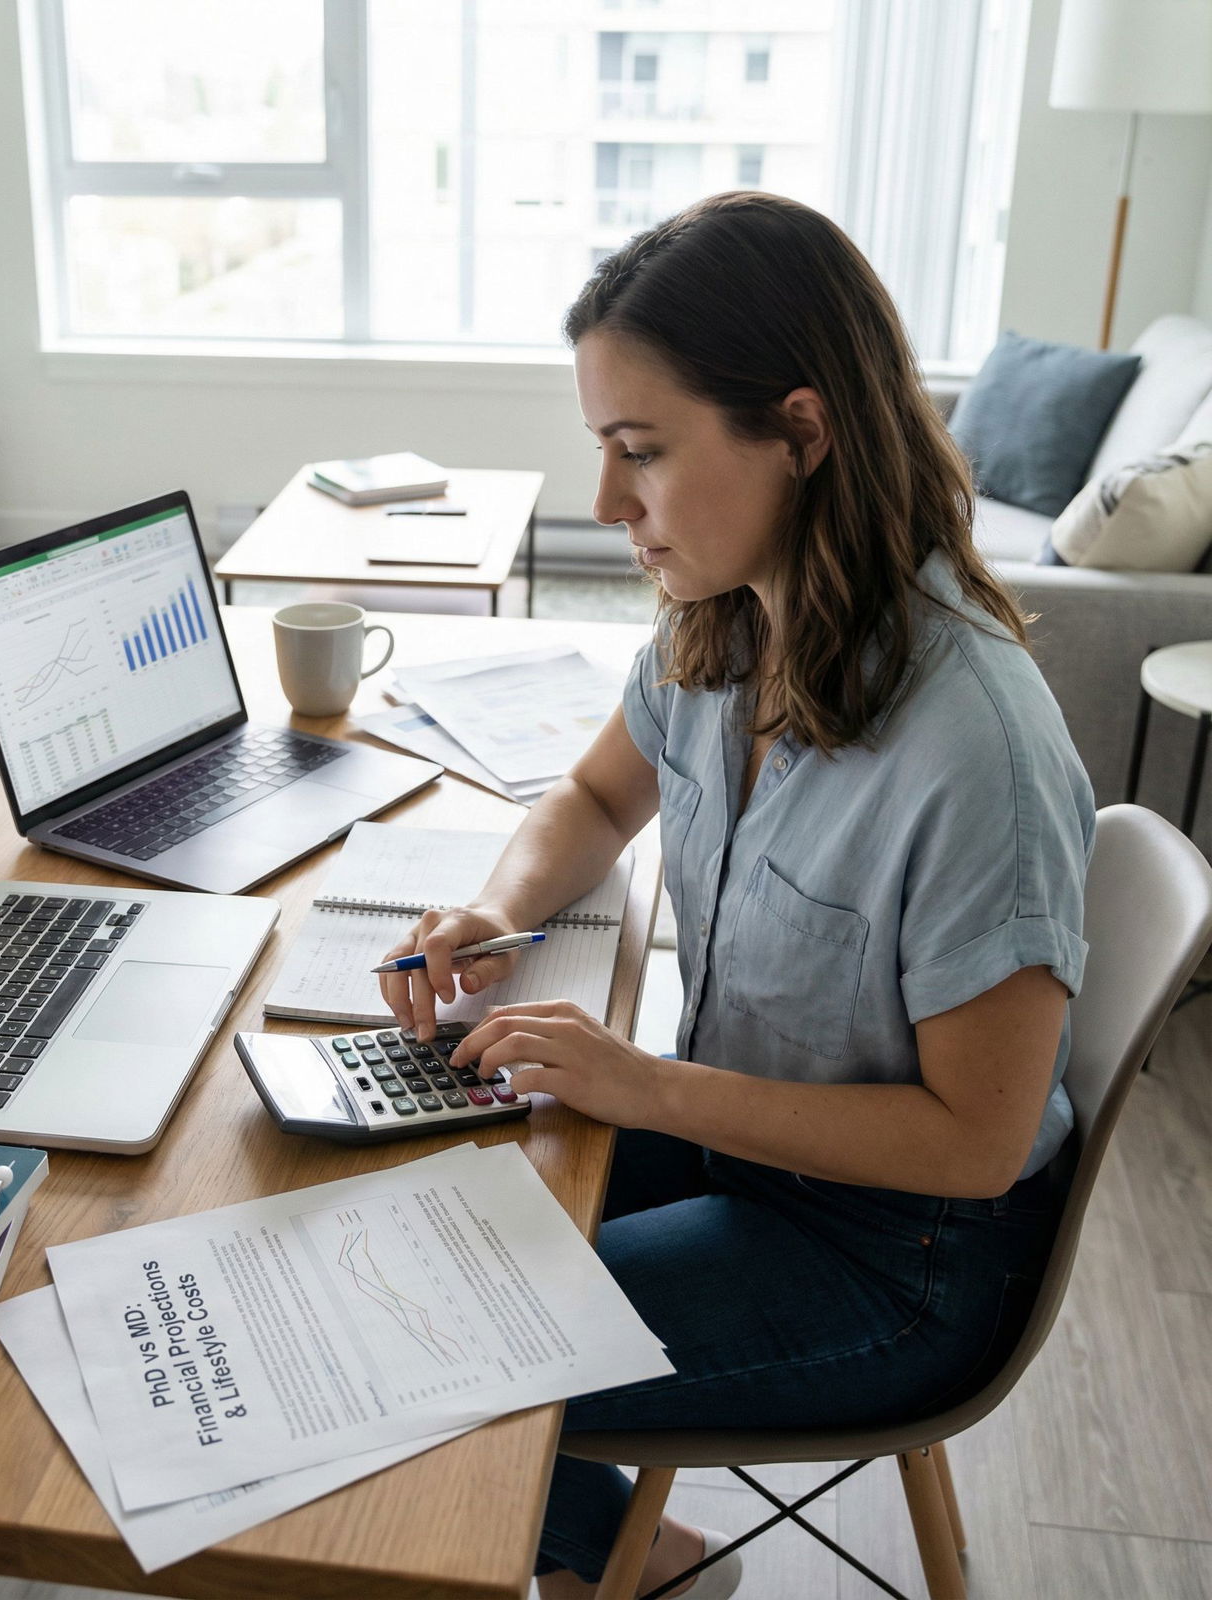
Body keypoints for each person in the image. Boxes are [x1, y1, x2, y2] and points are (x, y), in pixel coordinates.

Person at [378, 192, 1093, 1599]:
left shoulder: (975, 748)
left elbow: (976, 1143)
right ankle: (638, 1556)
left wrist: (641, 1087)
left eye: (641, 452)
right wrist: (493, 913)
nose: (606, 505)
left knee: (426, 1358)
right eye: (604, 450)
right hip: (746, 1149)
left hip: (900, 1254)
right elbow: (590, 801)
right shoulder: (725, 625)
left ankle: (621, 1563)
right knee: (399, 1211)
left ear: (804, 433)